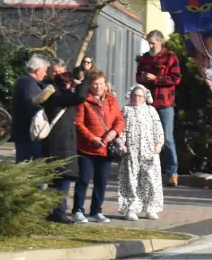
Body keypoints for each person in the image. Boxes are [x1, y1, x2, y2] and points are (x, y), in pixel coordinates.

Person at [36, 60, 89, 222]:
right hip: (62, 146)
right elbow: (81, 96)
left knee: (55, 180)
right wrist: (85, 79)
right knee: (64, 178)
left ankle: (53, 211)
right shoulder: (60, 97)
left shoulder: (53, 96)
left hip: (54, 145)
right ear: (67, 84)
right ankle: (59, 213)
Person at [73, 70, 124, 224]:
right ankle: (77, 210)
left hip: (105, 148)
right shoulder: (84, 100)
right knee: (83, 180)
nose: (98, 86)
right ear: (90, 85)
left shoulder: (111, 100)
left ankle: (96, 210)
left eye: (101, 83)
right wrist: (92, 138)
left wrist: (113, 133)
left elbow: (119, 119)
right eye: (95, 83)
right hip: (87, 148)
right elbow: (79, 123)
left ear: (105, 84)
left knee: (101, 181)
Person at [136, 30, 182, 187]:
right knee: (147, 138)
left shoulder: (170, 57)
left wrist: (156, 79)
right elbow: (137, 76)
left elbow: (175, 79)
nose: (150, 45)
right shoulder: (145, 58)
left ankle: (171, 172)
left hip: (165, 103)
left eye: (153, 42)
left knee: (167, 138)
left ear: (161, 42)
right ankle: (149, 171)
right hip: (148, 103)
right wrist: (143, 78)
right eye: (149, 42)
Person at [118, 84, 165, 221]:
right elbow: (121, 129)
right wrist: (122, 145)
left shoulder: (151, 110)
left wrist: (158, 144)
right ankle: (131, 208)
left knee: (151, 180)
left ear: (145, 97)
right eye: (134, 95)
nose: (136, 98)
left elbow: (158, 129)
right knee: (131, 181)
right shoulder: (126, 110)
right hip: (131, 152)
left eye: (139, 96)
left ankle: (151, 207)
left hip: (149, 152)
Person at [10, 55, 51, 162]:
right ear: (38, 70)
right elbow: (33, 106)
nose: (45, 74)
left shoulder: (23, 81)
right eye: (45, 70)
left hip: (23, 133)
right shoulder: (29, 84)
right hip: (29, 134)